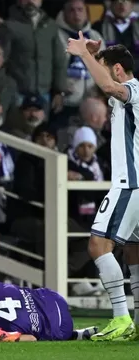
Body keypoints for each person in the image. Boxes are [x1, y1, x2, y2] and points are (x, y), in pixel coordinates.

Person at [66, 33, 139, 341]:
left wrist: (83, 54)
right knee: (134, 253)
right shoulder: (127, 91)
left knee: (98, 245)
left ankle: (121, 319)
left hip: (130, 183)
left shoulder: (133, 89)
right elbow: (107, 83)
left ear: (119, 70)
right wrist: (96, 57)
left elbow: (109, 85)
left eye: (105, 67)